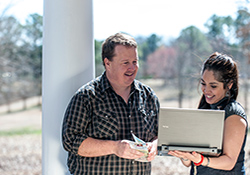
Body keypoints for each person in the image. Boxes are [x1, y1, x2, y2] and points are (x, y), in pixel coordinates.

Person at [62, 32, 159, 175]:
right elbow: (70, 141)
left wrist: (154, 146)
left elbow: (161, 133)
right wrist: (115, 147)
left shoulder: (148, 96)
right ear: (108, 63)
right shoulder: (87, 96)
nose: (132, 68)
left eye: (135, 62)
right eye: (125, 63)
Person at [168, 52, 248, 174]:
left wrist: (201, 160)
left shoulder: (234, 115)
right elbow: (189, 163)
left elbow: (229, 162)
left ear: (229, 85)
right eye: (203, 84)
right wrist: (183, 154)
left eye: (213, 86)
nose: (206, 90)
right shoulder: (205, 109)